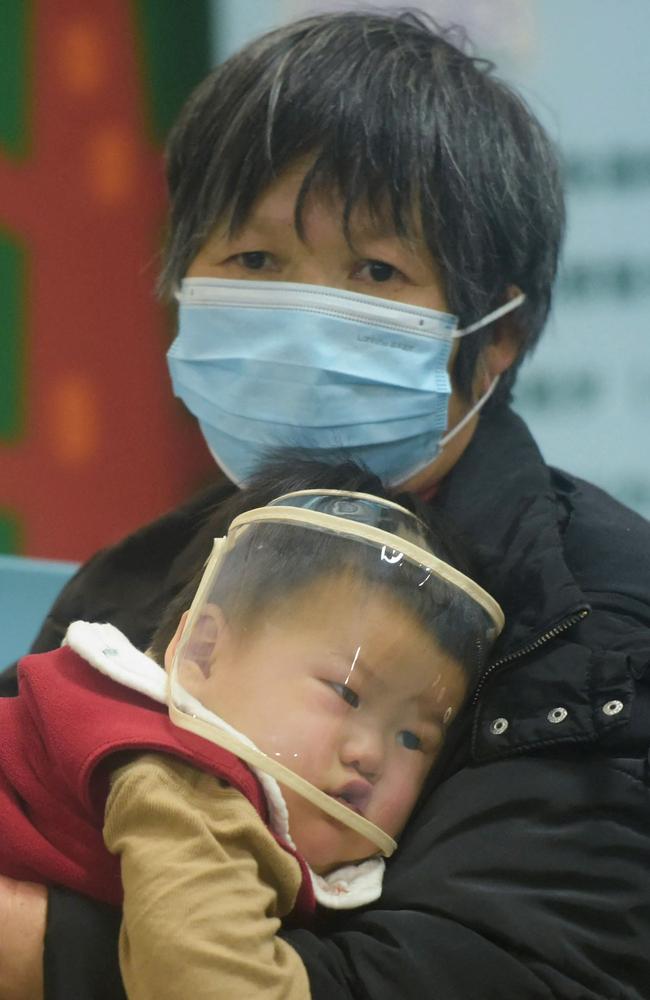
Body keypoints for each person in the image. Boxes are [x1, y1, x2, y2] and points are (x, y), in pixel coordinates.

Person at [1, 9, 649, 1000]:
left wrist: (32, 951)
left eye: (375, 273)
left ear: (497, 335)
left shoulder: (590, 624)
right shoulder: (134, 579)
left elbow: (490, 972)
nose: (301, 313)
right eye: (254, 262)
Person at [0, 455, 502, 1000]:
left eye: (414, 738)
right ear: (206, 652)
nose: (370, 754)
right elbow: (203, 981)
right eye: (346, 692)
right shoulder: (188, 781)